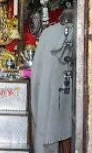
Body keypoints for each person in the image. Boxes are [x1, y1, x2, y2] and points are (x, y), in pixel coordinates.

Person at [31, 9, 74, 153]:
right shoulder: (50, 34)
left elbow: (37, 74)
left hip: (63, 89)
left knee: (64, 124)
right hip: (61, 89)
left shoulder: (49, 34)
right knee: (63, 123)